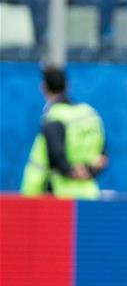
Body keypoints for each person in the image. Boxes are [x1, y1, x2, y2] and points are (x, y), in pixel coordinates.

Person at [21, 65, 107, 199]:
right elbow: (103, 155)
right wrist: (89, 171)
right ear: (67, 86)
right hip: (89, 193)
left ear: (43, 87)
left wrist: (73, 172)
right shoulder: (90, 114)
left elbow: (56, 156)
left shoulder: (54, 117)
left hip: (59, 196)